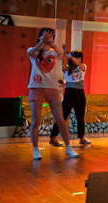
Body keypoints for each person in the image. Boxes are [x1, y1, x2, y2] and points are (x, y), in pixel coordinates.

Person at [27, 28, 79, 160]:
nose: (48, 38)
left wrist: (51, 43)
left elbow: (60, 52)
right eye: (45, 35)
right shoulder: (34, 51)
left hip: (52, 89)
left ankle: (68, 148)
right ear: (40, 36)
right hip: (36, 88)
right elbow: (31, 51)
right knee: (36, 120)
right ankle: (35, 150)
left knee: (60, 119)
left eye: (51, 36)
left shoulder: (54, 53)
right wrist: (42, 42)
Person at [49, 46, 92, 146]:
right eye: (77, 58)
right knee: (63, 115)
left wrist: (71, 57)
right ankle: (53, 137)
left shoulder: (82, 67)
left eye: (80, 58)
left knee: (80, 116)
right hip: (69, 93)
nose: (79, 60)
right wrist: (65, 53)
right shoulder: (66, 69)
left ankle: (82, 137)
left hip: (80, 93)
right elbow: (63, 64)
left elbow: (80, 65)